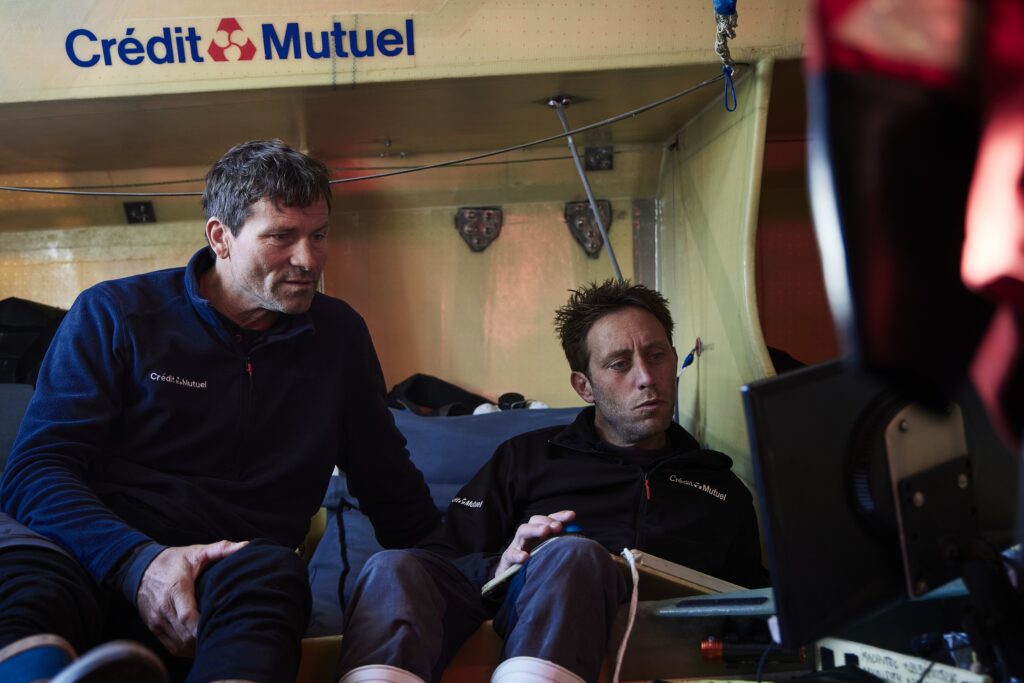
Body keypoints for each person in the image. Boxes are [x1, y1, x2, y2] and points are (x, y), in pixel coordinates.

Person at [0, 139, 441, 683]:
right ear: (220, 237)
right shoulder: (116, 314)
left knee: (270, 573)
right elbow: (35, 472)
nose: (309, 260)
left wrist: (484, 572)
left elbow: (390, 485)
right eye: (282, 236)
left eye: (319, 235)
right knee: (25, 572)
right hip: (96, 554)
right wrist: (138, 562)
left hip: (230, 571)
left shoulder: (339, 336)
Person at [337, 280, 767, 683]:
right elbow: (444, 556)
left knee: (575, 555)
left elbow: (759, 606)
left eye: (656, 356)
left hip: (659, 641)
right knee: (393, 566)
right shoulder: (526, 457)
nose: (646, 378)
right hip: (527, 606)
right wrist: (502, 563)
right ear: (584, 386)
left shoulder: (721, 487)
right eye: (619, 364)